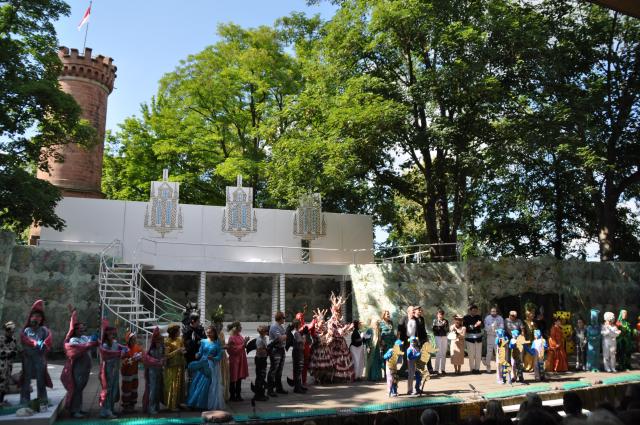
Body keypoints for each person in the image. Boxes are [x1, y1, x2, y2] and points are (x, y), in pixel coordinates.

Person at [61, 308, 98, 418]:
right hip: (78, 368)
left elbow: (91, 340)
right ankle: (74, 410)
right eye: (80, 329)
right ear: (75, 330)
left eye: (83, 328)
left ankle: (79, 408)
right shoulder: (73, 341)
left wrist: (95, 337)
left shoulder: (83, 337)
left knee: (80, 388)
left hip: (85, 368)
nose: (82, 330)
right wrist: (90, 343)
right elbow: (80, 348)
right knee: (77, 389)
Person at [20, 300, 52, 406]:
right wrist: (34, 343)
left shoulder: (44, 330)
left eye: (38, 316)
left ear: (41, 319)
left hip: (39, 357)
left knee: (40, 378)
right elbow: (24, 340)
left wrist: (44, 345)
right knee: (26, 378)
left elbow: (48, 340)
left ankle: (42, 399)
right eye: (33, 316)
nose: (35, 318)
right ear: (30, 318)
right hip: (28, 358)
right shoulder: (26, 330)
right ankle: (24, 399)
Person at [186, 325, 225, 410]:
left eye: (210, 332)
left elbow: (219, 356)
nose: (208, 334)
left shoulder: (217, 342)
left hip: (212, 366)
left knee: (207, 384)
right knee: (197, 383)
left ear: (214, 333)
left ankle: (204, 404)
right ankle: (195, 403)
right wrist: (197, 354)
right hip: (202, 364)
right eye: (207, 332)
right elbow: (200, 352)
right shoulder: (203, 341)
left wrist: (213, 358)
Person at [100, 325, 127, 419]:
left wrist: (124, 350)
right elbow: (107, 355)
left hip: (115, 368)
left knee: (114, 389)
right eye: (111, 334)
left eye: (114, 333)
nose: (113, 335)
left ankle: (110, 408)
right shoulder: (105, 345)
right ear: (107, 335)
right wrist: (119, 353)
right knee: (108, 389)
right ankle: (106, 410)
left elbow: (123, 348)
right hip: (108, 369)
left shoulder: (115, 343)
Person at [164, 323, 186, 411]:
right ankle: (172, 405)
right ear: (174, 332)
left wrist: (183, 351)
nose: (179, 332)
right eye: (178, 331)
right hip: (172, 367)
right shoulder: (167, 341)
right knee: (173, 385)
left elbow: (183, 349)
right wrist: (177, 350)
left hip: (180, 365)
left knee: (180, 384)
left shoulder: (180, 340)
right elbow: (166, 356)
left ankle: (178, 403)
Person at [143, 327, 164, 415]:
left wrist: (163, 360)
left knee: (158, 388)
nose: (159, 343)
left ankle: (156, 405)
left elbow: (163, 356)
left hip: (159, 370)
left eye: (160, 341)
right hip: (152, 371)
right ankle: (151, 407)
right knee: (153, 388)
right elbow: (147, 359)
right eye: (158, 341)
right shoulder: (151, 349)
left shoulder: (161, 348)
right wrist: (157, 361)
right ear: (154, 341)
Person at [226, 321, 249, 401]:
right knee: (233, 378)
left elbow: (242, 346)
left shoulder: (239, 335)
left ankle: (238, 394)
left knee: (239, 377)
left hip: (241, 359)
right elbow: (233, 350)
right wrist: (244, 343)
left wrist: (245, 343)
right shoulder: (231, 338)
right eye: (240, 326)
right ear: (235, 328)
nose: (241, 327)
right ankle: (232, 395)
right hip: (235, 360)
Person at [121, 331, 143, 413]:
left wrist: (140, 357)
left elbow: (142, 356)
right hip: (127, 373)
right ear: (128, 340)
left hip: (134, 372)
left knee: (134, 388)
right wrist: (132, 359)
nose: (134, 341)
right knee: (127, 389)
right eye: (132, 339)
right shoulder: (125, 349)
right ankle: (126, 406)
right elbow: (123, 361)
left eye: (135, 339)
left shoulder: (137, 347)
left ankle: (132, 405)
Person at [268, 311, 288, 396]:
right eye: (283, 318)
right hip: (275, 350)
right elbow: (280, 338)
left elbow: (283, 337)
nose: (284, 319)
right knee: (273, 370)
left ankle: (279, 388)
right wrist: (286, 336)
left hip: (281, 349)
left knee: (279, 370)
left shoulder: (280, 326)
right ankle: (270, 390)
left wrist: (284, 336)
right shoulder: (274, 327)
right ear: (280, 318)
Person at [0, 322, 17, 405]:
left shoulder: (13, 339)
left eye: (12, 331)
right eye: (9, 330)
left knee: (6, 383)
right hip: (2, 364)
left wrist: (14, 353)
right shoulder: (1, 339)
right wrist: (8, 353)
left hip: (9, 364)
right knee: (1, 382)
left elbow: (15, 349)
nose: (11, 332)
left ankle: (2, 400)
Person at [463, 305, 484, 374]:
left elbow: (482, 326)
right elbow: (466, 328)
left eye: (476, 311)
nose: (475, 312)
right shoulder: (466, 318)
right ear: (470, 311)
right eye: (473, 311)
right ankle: (472, 369)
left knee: (478, 354)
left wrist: (480, 324)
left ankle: (477, 369)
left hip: (478, 338)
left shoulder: (479, 317)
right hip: (469, 338)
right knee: (471, 354)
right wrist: (475, 326)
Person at [415, 306, 435, 375]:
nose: (420, 311)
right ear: (415, 311)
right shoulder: (413, 319)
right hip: (417, 340)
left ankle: (430, 369)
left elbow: (423, 329)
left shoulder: (422, 318)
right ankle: (420, 370)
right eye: (419, 310)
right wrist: (416, 339)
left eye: (421, 310)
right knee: (419, 355)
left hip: (424, 338)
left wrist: (426, 338)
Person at [483, 306, 504, 374]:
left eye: (494, 311)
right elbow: (486, 328)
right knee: (489, 352)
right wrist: (491, 326)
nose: (493, 313)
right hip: (490, 336)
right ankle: (488, 366)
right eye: (492, 311)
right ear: (490, 312)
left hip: (498, 336)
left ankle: (499, 367)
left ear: (497, 312)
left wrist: (496, 327)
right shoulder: (487, 318)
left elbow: (502, 327)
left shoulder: (500, 318)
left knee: (498, 352)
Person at [290, 318, 308, 394]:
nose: (301, 325)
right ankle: (297, 388)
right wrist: (304, 335)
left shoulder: (295, 332)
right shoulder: (296, 333)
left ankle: (298, 386)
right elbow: (302, 342)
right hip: (298, 352)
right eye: (300, 324)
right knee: (298, 369)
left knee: (298, 369)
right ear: (297, 325)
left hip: (297, 351)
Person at [253, 325, 269, 401]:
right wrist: (266, 350)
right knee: (260, 377)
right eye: (266, 331)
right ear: (263, 332)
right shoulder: (259, 340)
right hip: (260, 359)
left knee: (262, 376)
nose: (267, 332)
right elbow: (259, 350)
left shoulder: (264, 338)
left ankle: (262, 394)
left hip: (263, 358)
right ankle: (258, 395)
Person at [432, 309, 449, 375]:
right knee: (438, 353)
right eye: (439, 314)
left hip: (444, 337)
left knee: (443, 353)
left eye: (442, 314)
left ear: (443, 315)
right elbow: (434, 329)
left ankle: (443, 369)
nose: (440, 315)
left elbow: (447, 330)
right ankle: (436, 369)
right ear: (437, 315)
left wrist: (442, 326)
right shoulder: (435, 321)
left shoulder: (446, 321)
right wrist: (441, 325)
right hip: (438, 337)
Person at [379, 310, 395, 379]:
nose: (388, 315)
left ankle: (391, 373)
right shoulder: (380, 323)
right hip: (384, 343)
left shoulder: (391, 322)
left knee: (391, 358)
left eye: (389, 314)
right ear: (383, 315)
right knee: (386, 358)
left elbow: (392, 331)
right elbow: (379, 333)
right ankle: (386, 375)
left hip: (391, 342)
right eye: (387, 314)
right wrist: (381, 342)